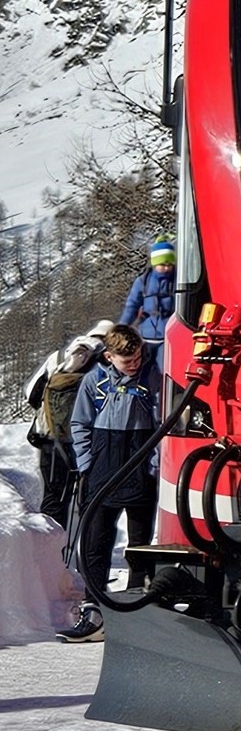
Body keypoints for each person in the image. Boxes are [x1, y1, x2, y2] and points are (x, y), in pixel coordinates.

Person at [59, 324, 161, 643]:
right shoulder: (95, 381)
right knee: (96, 542)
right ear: (109, 356)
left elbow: (163, 421)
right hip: (103, 467)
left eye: (138, 357)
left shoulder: (151, 377)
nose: (135, 364)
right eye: (127, 359)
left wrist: (154, 464)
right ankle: (94, 610)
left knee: (140, 542)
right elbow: (79, 423)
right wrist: (87, 462)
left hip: (139, 465)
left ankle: (137, 609)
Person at [22, 320, 112, 523]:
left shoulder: (59, 356)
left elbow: (31, 395)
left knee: (54, 498)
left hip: (51, 440)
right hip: (88, 442)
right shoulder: (106, 363)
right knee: (90, 500)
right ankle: (85, 550)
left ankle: (50, 548)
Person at [120, 239, 177, 357]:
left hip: (169, 335)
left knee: (162, 369)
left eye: (169, 265)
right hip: (146, 335)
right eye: (162, 265)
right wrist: (123, 326)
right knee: (144, 369)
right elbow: (132, 305)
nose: (166, 268)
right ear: (155, 264)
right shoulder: (143, 281)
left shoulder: (178, 281)